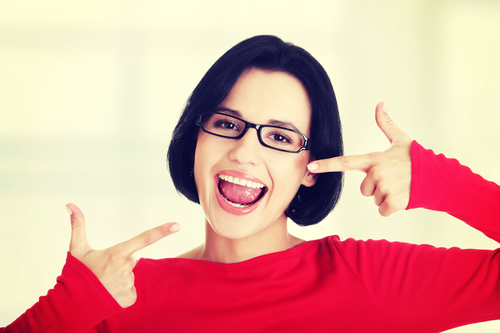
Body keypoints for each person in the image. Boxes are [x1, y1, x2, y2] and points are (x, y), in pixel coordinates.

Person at [1, 35, 500, 332]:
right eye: (225, 123)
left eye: (280, 136)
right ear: (195, 141)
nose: (244, 150)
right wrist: (63, 314)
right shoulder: (116, 299)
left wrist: (443, 182)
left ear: (310, 167)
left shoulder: (365, 277)